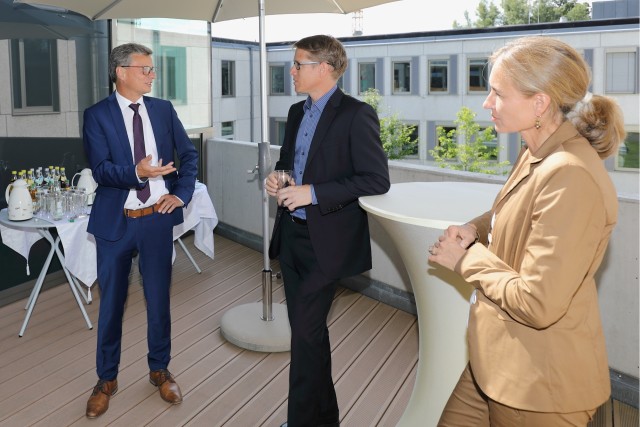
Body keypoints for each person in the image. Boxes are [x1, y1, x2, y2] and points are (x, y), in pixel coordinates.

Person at [428, 36, 626, 426]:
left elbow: (537, 302)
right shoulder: (537, 151)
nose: (487, 103)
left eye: (498, 93)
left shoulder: (570, 174)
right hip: (495, 362)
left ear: (540, 103)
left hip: (538, 385)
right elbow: (514, 211)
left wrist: (466, 259)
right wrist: (474, 228)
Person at [265, 34, 390, 427]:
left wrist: (313, 193)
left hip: (327, 244)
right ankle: (326, 419)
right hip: (291, 237)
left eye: (299, 64)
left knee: (304, 335)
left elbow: (375, 179)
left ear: (324, 68)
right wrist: (277, 180)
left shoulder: (356, 114)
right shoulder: (297, 112)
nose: (293, 71)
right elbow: (289, 162)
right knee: (310, 335)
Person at [82, 43, 198, 418]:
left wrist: (180, 195)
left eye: (152, 69)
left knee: (159, 300)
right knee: (112, 305)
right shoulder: (97, 115)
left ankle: (159, 370)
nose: (152, 74)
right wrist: (138, 173)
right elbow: (100, 169)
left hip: (156, 222)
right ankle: (106, 379)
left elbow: (189, 155)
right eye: (145, 68)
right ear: (120, 71)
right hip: (116, 223)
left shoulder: (163, 110)